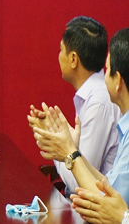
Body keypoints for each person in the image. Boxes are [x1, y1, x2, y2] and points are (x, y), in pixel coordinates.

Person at [28, 17, 120, 197]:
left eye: (61, 50)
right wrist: (54, 134)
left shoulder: (98, 103)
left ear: (73, 59)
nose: (58, 56)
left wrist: (56, 143)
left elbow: (79, 182)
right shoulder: (94, 95)